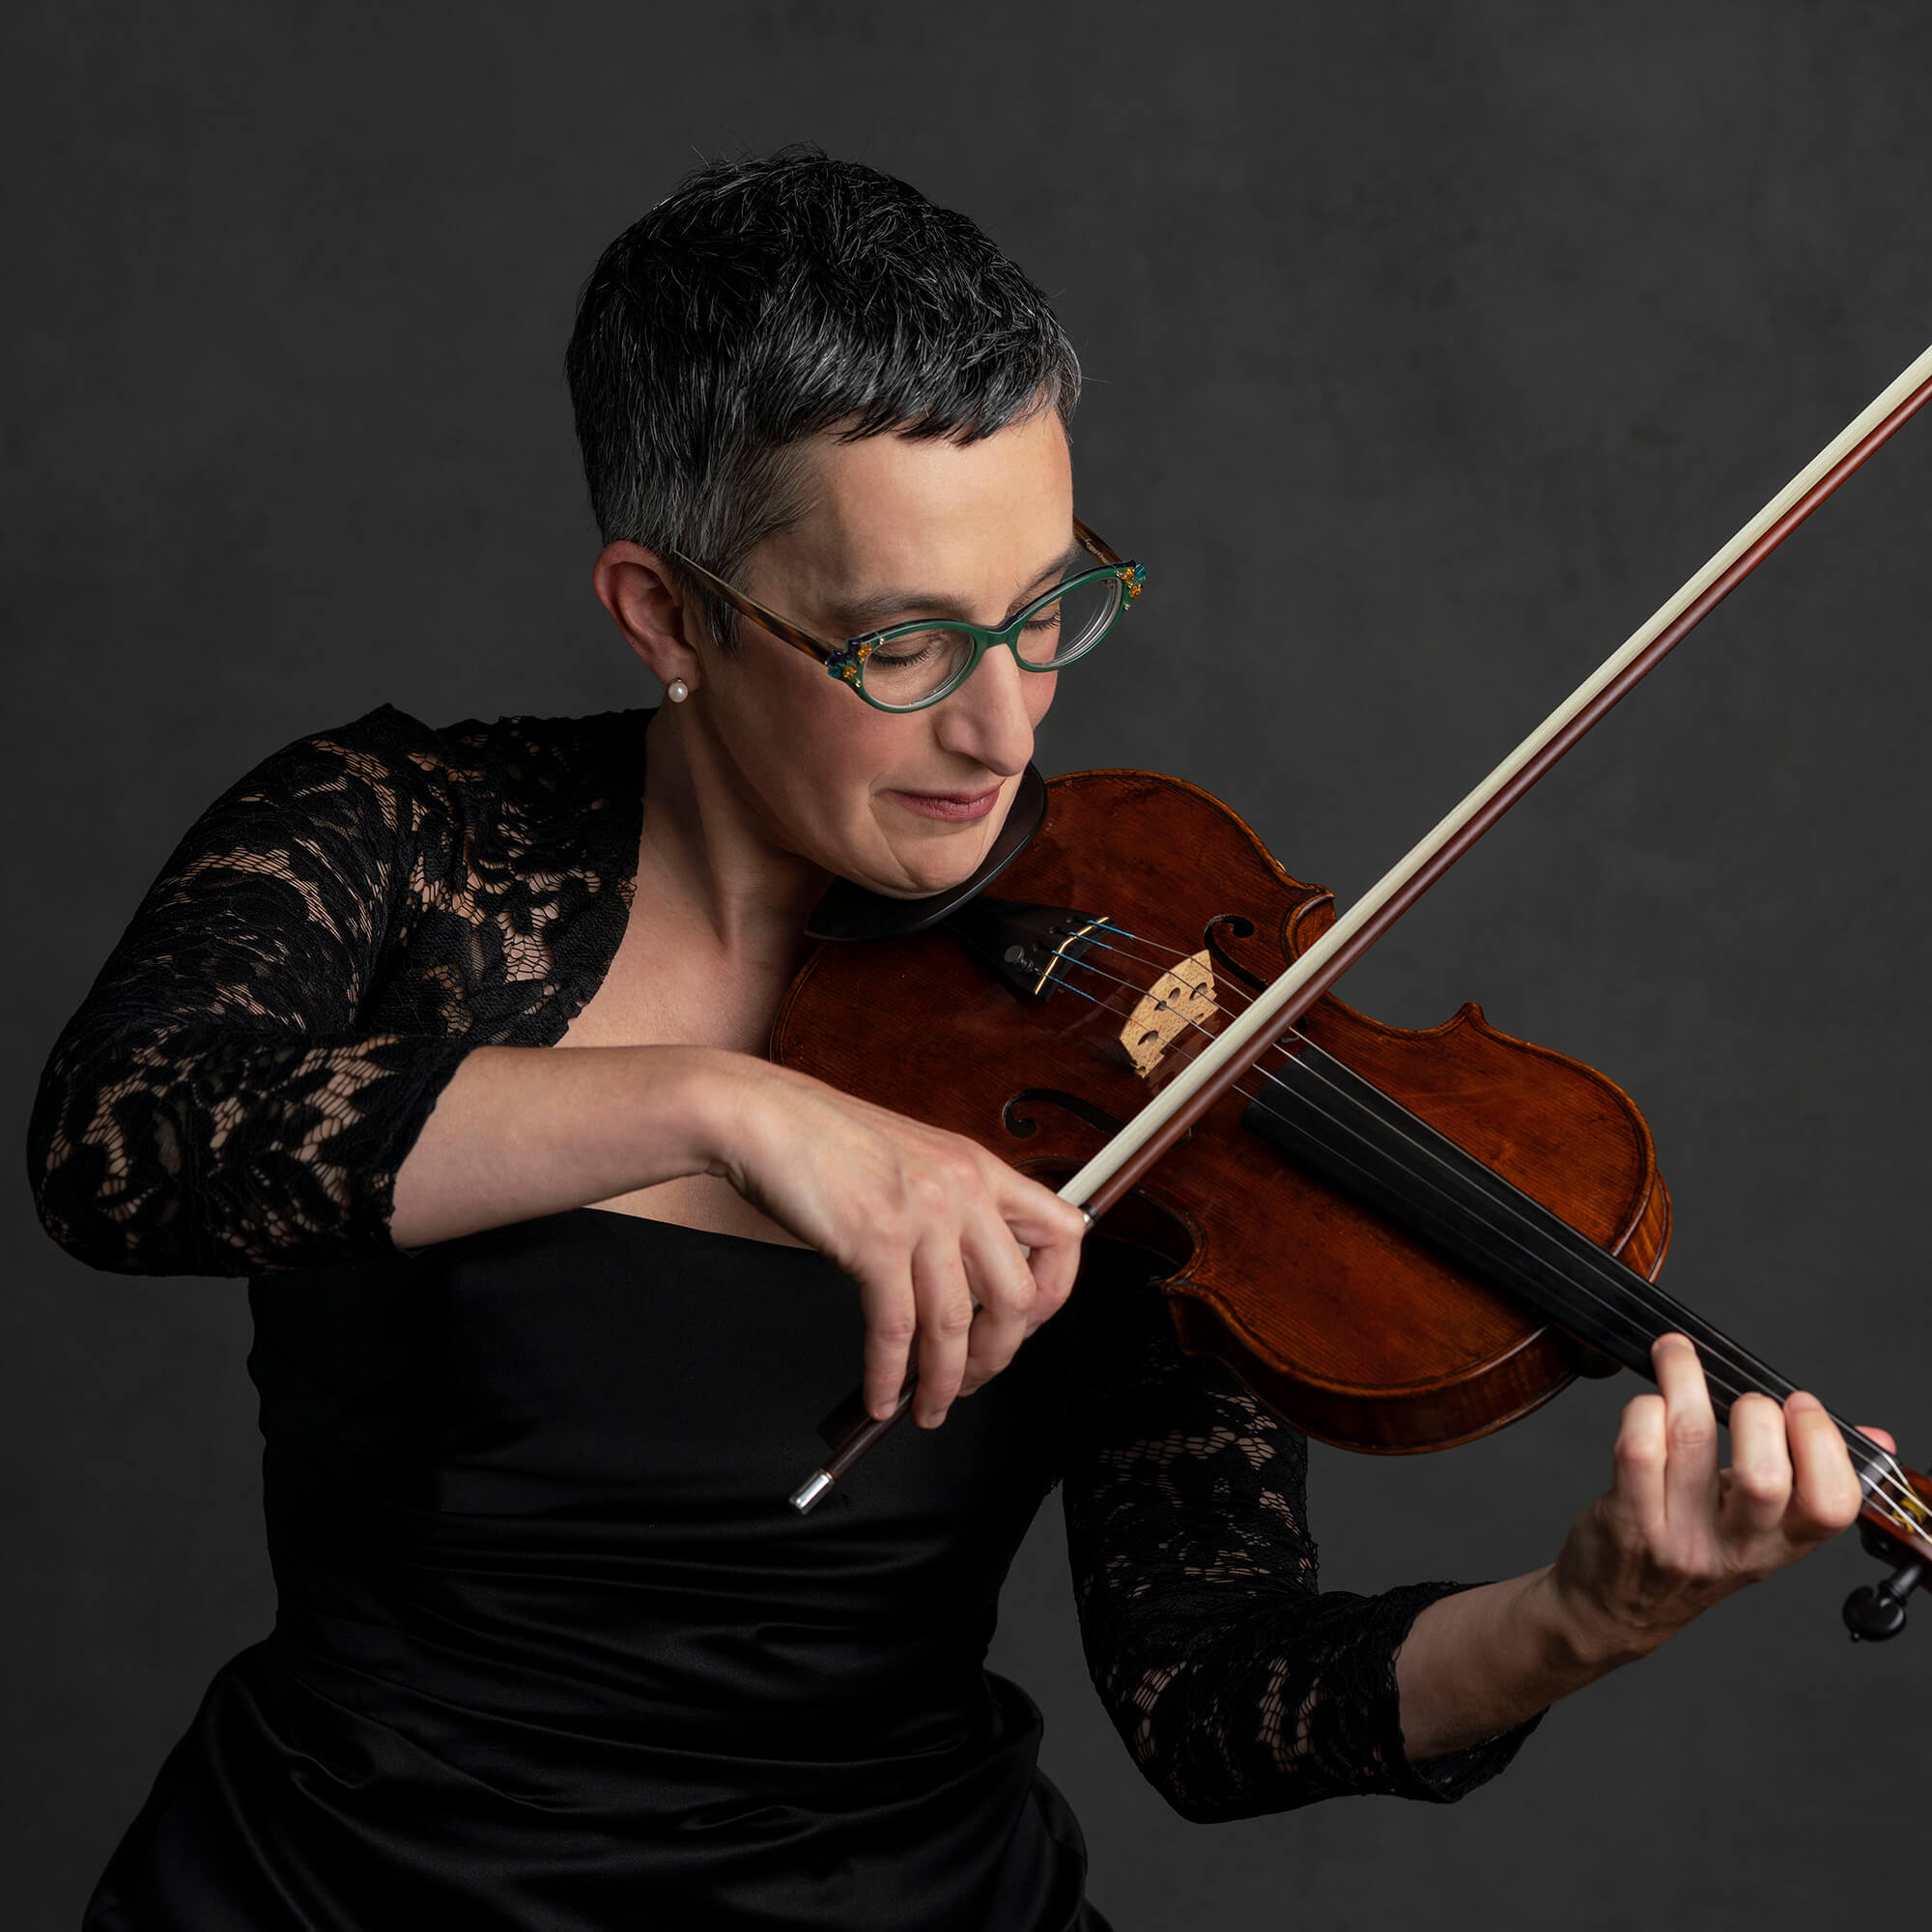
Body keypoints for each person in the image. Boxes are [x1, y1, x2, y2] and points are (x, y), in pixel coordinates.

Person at [31, 149, 1884, 1932]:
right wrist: (725, 1103)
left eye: (1050, 608)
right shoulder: (400, 836)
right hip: (331, 1888)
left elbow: (1213, 1691)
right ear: (665, 615)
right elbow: (126, 1141)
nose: (1004, 732)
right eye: (903, 647)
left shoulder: (1153, 990)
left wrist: (1579, 1619)